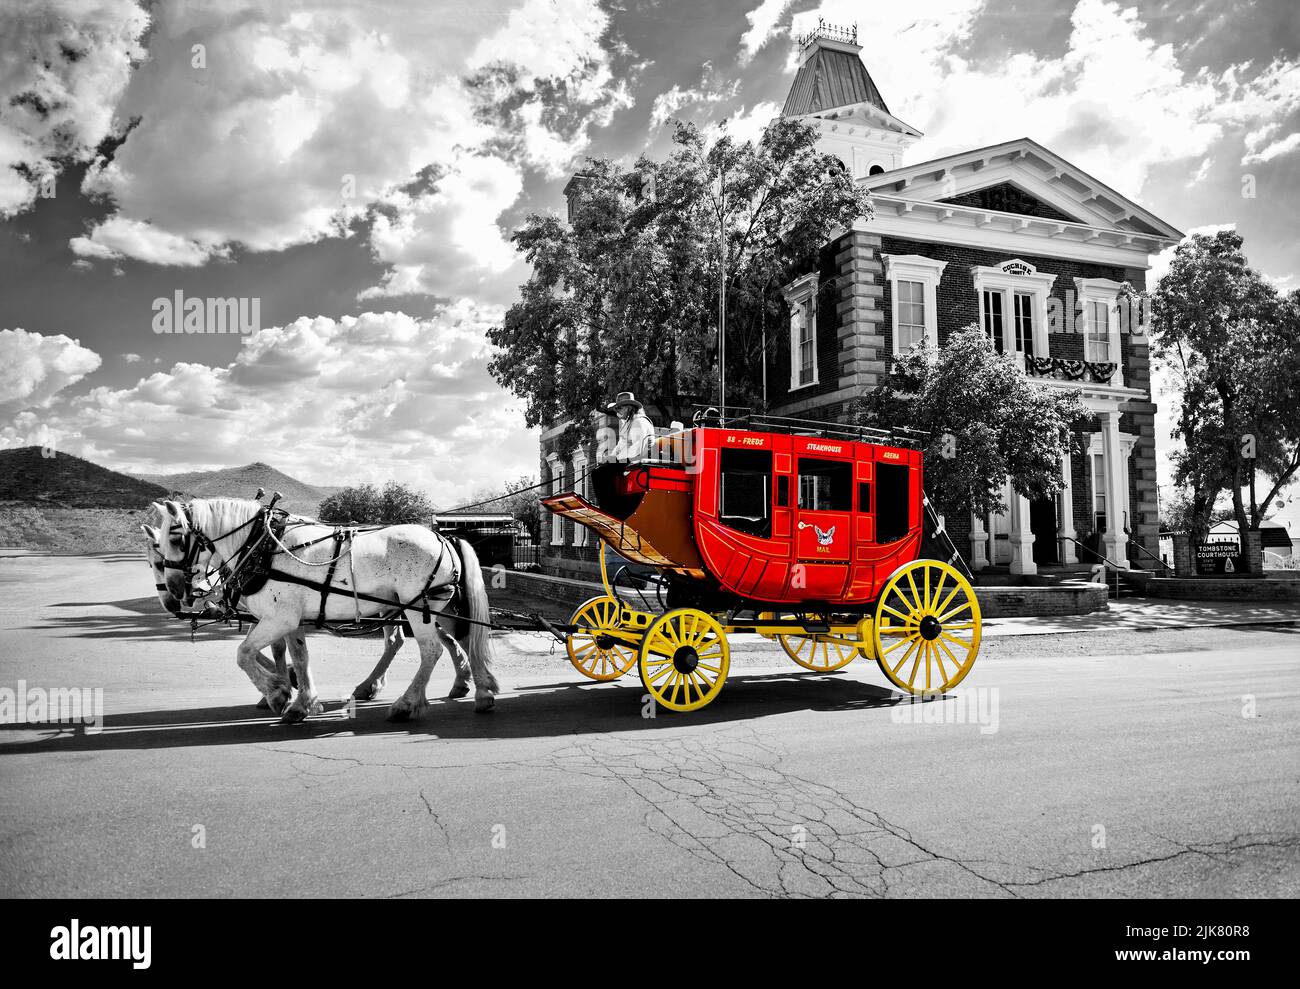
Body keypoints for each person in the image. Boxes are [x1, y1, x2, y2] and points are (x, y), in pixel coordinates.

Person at [605, 391, 655, 461]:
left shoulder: (638, 422)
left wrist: (617, 458)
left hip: (641, 462)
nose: (617, 411)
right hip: (631, 461)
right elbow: (621, 444)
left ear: (629, 408)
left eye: (619, 408)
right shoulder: (629, 422)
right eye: (616, 409)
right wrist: (611, 457)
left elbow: (637, 448)